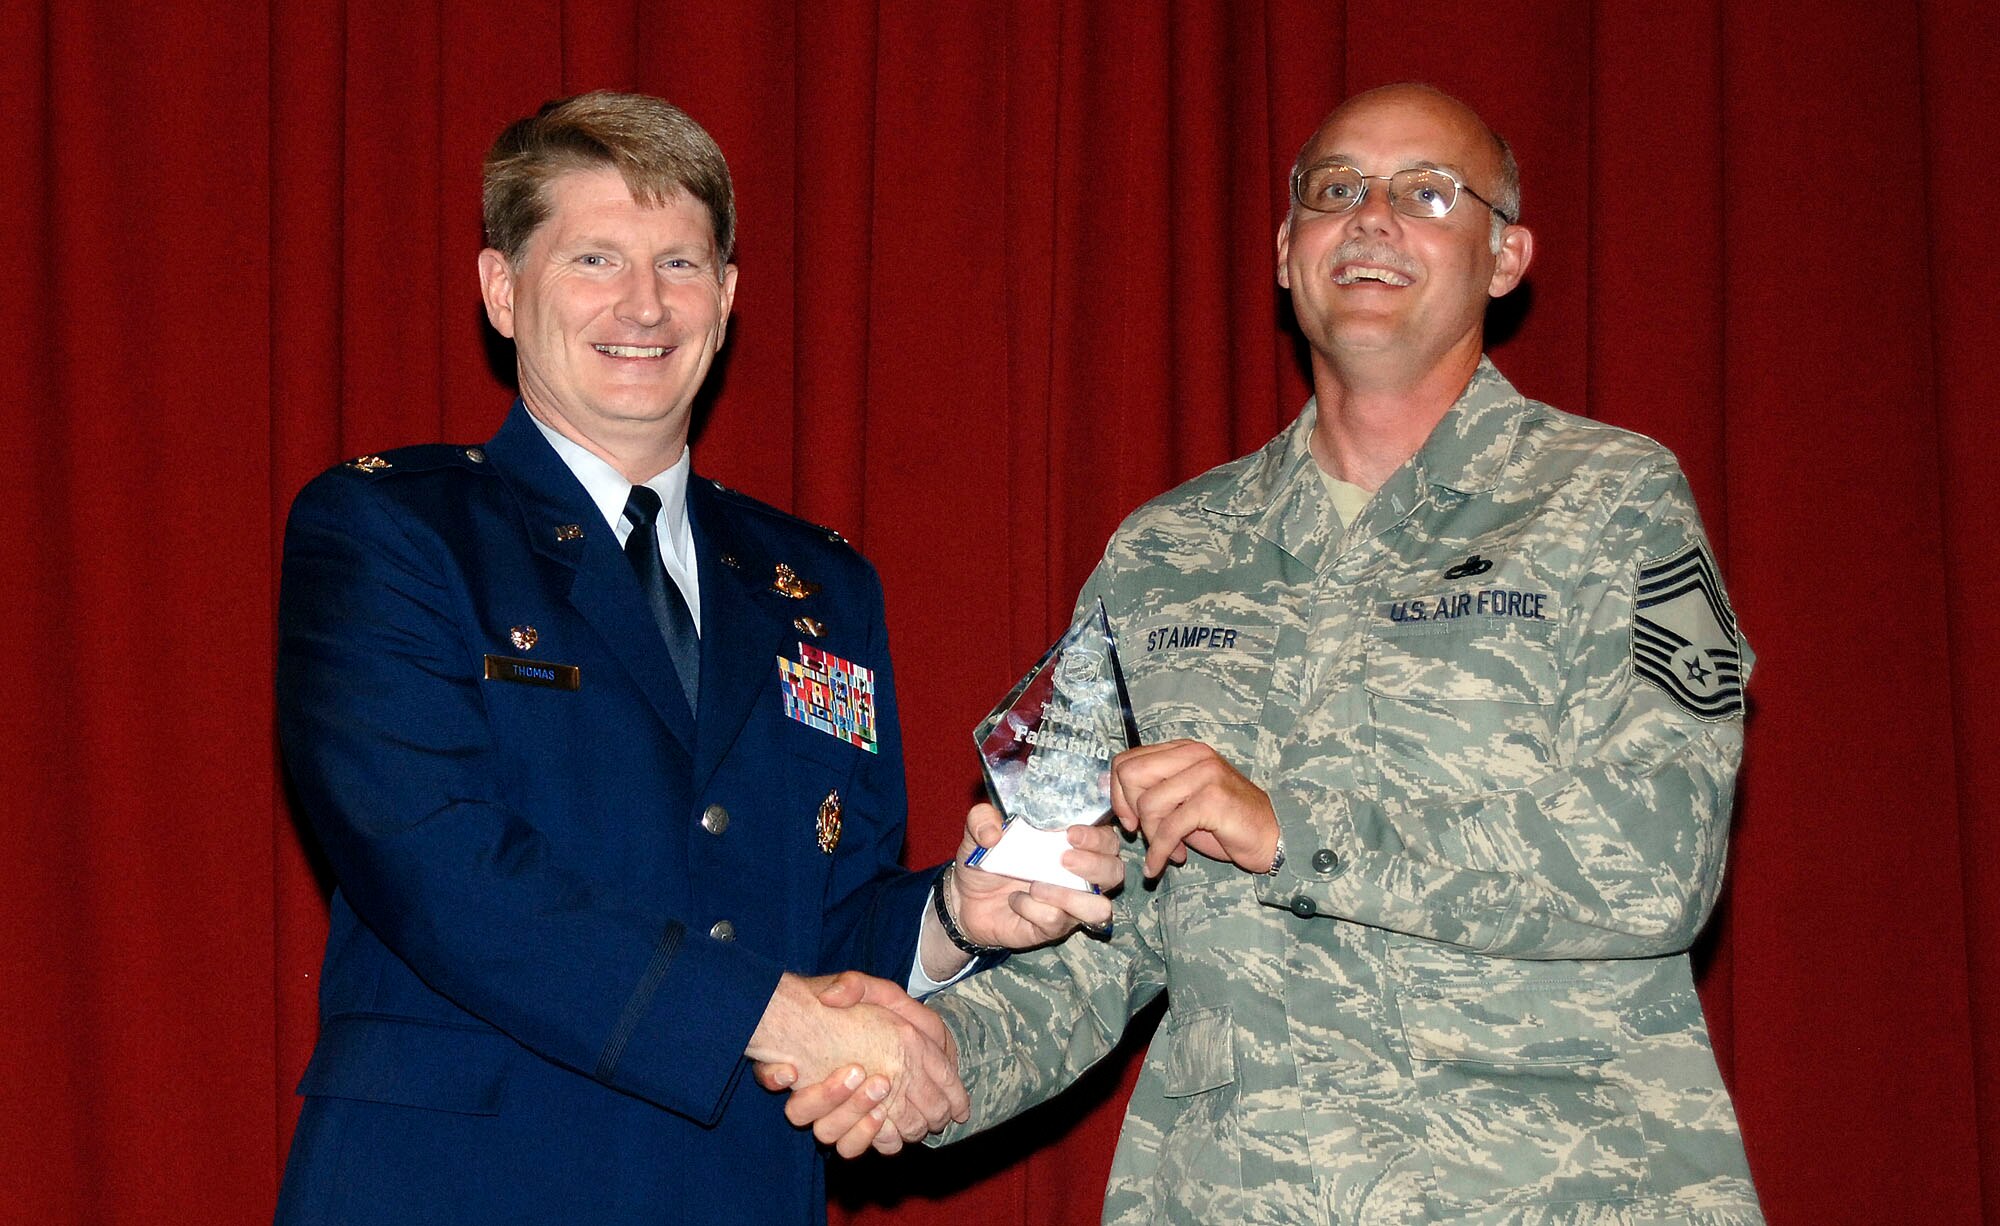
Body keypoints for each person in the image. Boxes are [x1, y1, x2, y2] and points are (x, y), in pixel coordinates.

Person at [774, 83, 1763, 1224]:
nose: (1372, 219)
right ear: (1287, 250)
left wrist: (1291, 828)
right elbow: (1092, 926)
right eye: (1336, 190)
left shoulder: (1608, 500)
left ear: (1506, 255)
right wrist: (933, 1055)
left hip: (1553, 1188)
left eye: (1425, 193)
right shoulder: (1161, 553)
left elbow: (1654, 862)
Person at [273, 91, 1119, 1226]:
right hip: (457, 1179)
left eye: (679, 263)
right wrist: (784, 1017)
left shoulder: (817, 587)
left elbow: (823, 916)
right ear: (499, 290)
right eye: (593, 258)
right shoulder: (394, 532)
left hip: (736, 1184)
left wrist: (955, 916)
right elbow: (438, 866)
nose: (642, 303)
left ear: (724, 299)